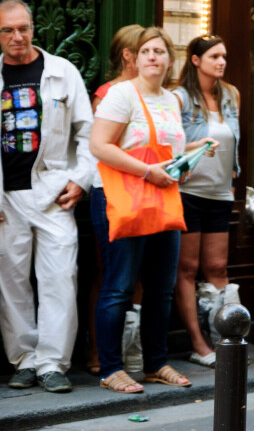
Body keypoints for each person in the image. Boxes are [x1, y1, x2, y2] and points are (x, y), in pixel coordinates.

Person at [90, 27, 213, 393]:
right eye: (145, 51)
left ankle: (155, 363)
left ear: (169, 60)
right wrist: (147, 171)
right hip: (122, 199)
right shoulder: (121, 95)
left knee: (161, 288)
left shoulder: (172, 100)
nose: (153, 57)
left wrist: (190, 154)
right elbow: (100, 145)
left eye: (159, 51)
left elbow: (165, 152)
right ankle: (111, 368)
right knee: (119, 286)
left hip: (161, 198)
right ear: (135, 58)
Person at [0, 0, 95, 393]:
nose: (17, 37)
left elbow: (89, 133)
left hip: (54, 192)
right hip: (6, 196)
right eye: (7, 30)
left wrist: (81, 179)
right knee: (11, 281)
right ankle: (23, 359)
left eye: (23, 28)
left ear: (35, 28)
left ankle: (52, 363)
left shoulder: (62, 71)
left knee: (59, 278)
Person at [173, 35, 241, 369]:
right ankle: (198, 344)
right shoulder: (180, 98)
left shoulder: (231, 95)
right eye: (214, 56)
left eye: (224, 56)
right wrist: (194, 147)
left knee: (217, 268)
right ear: (196, 60)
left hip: (220, 194)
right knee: (186, 269)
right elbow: (170, 146)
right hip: (187, 193)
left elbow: (233, 144)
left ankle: (223, 339)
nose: (222, 62)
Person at [86, 23, 145, 377]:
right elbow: (97, 146)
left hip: (144, 193)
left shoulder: (154, 94)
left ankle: (130, 349)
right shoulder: (108, 92)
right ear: (128, 55)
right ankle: (98, 352)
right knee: (109, 274)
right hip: (112, 192)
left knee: (137, 275)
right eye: (146, 51)